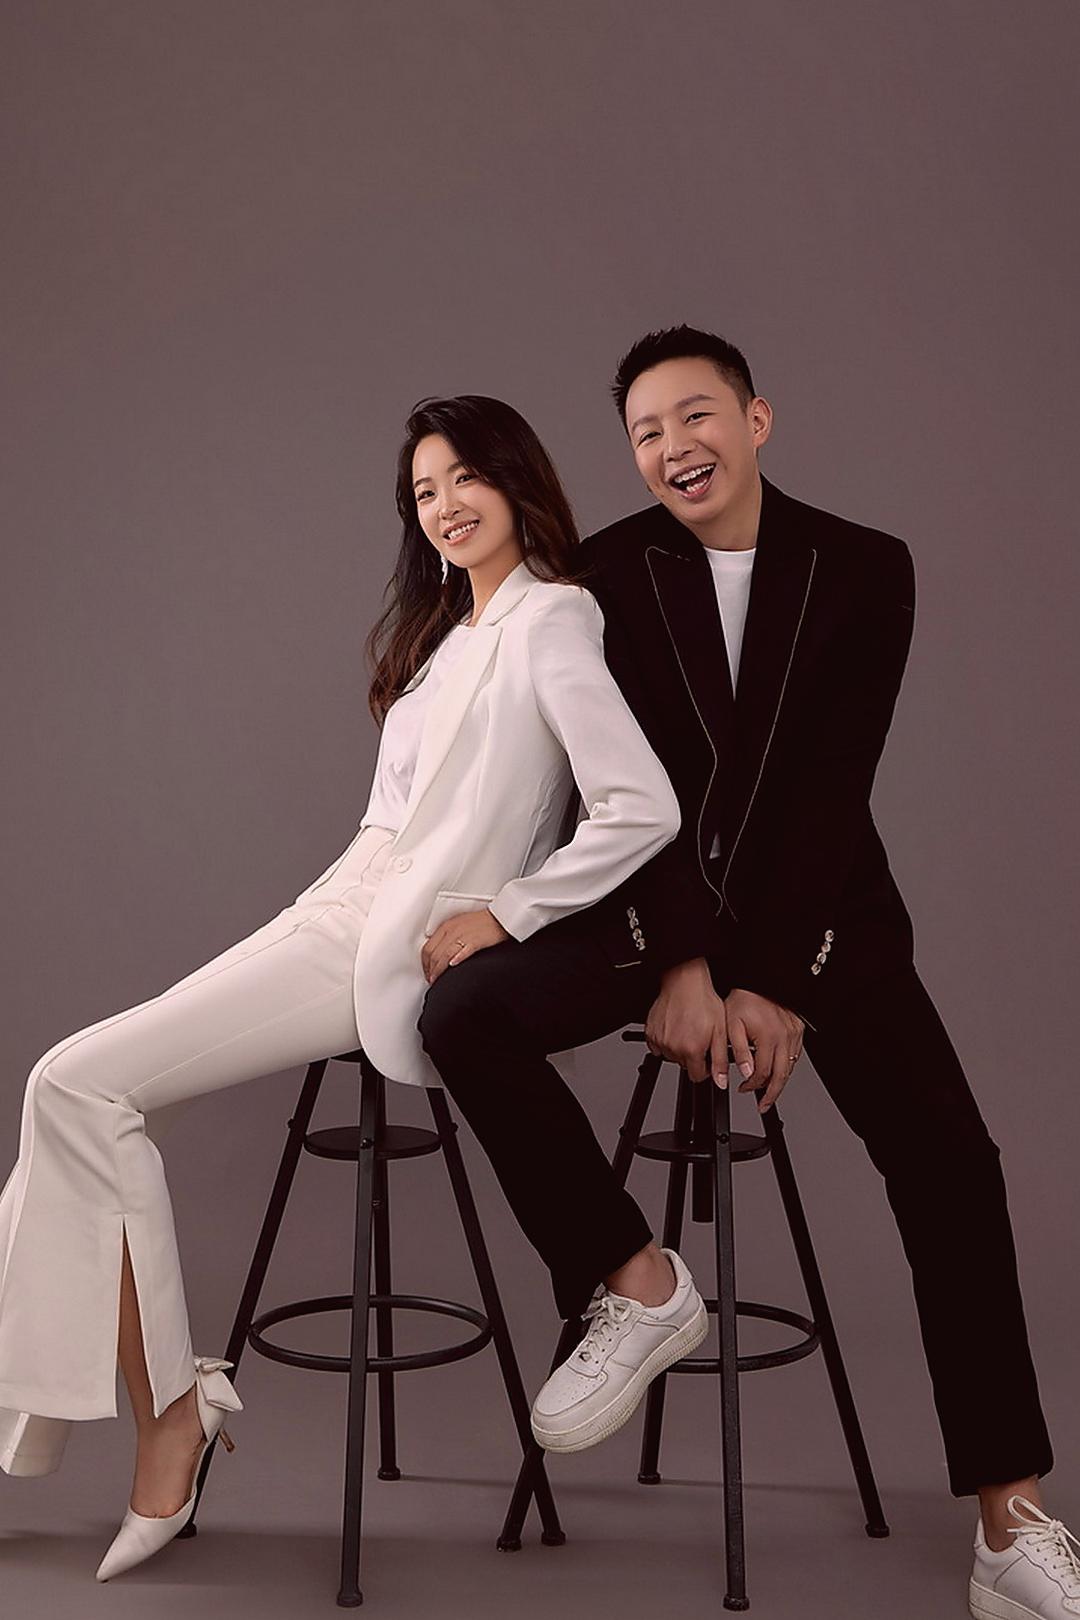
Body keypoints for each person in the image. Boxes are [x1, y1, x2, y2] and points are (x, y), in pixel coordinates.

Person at [419, 329, 1078, 1620]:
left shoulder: (866, 568)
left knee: (953, 1161)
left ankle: (1011, 1517)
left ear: (757, 418)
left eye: (697, 416)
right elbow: (619, 790)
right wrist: (682, 960)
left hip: (824, 919)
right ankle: (633, 1281)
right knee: (466, 1013)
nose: (676, 447)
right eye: (648, 432)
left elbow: (830, 796)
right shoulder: (606, 573)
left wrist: (775, 984)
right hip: (655, 914)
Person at [0, 393, 694, 1582]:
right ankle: (154, 1409)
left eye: (465, 477)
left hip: (385, 942)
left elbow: (642, 806)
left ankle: (169, 1419)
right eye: (424, 492)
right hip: (332, 908)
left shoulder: (553, 619)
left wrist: (510, 913)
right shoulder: (446, 637)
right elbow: (390, 825)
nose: (446, 505)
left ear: (515, 480)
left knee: (74, 1085)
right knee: (73, 1092)